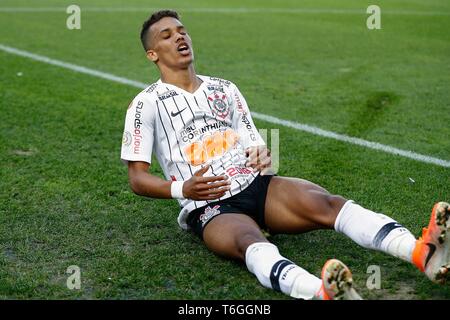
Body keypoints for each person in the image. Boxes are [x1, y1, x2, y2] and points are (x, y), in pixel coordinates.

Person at [120, 9, 449, 300]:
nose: (179, 37)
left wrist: (261, 153)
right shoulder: (146, 104)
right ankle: (323, 292)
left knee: (326, 204)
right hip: (209, 205)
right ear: (152, 54)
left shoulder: (225, 88)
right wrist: (183, 189)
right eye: (167, 35)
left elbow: (253, 140)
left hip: (257, 186)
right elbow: (137, 179)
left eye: (182, 31)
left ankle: (422, 252)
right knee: (249, 241)